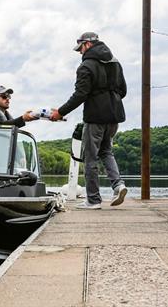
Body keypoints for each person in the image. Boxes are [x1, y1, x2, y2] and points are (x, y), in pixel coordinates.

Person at [49, 32, 128, 210]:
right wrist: (110, 100)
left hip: (95, 117)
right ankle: (118, 185)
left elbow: (80, 95)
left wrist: (60, 112)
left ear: (87, 44)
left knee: (90, 157)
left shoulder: (86, 66)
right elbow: (122, 90)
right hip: (114, 116)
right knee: (106, 151)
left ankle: (93, 200)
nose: (79, 53)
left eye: (80, 48)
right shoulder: (115, 62)